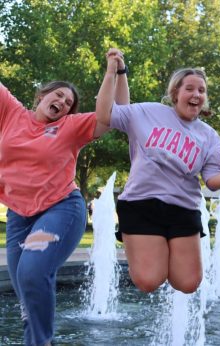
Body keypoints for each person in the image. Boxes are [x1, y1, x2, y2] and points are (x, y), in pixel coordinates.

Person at [1, 49, 129, 346]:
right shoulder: (11, 113)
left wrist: (115, 72)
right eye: (57, 95)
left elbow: (119, 113)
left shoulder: (70, 127)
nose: (61, 102)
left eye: (68, 103)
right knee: (26, 295)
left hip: (60, 209)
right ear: (41, 95)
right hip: (19, 216)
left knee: (32, 273)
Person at [95, 57, 220, 295]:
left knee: (188, 284)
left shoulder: (209, 136)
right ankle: (149, 258)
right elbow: (106, 113)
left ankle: (160, 255)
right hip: (141, 204)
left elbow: (213, 179)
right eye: (189, 88)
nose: (196, 94)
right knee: (149, 281)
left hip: (183, 209)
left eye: (201, 90)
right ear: (175, 93)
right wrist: (112, 72)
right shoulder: (148, 112)